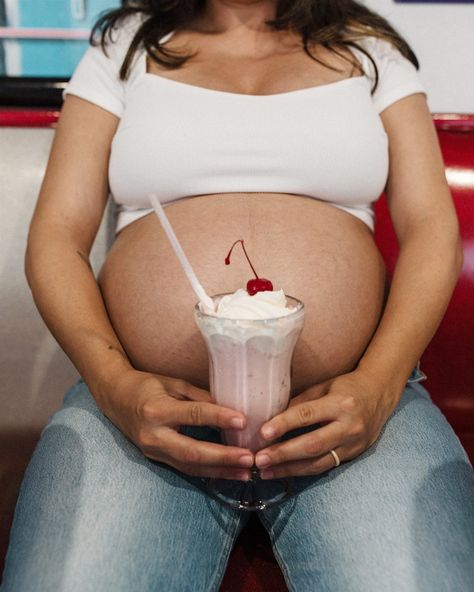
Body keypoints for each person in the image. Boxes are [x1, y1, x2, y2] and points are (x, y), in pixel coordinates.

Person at [2, 1, 473, 590]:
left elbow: (432, 228)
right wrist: (116, 385)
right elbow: (55, 239)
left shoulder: (370, 49)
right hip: (146, 411)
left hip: (346, 403)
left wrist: (377, 387)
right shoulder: (125, 45)